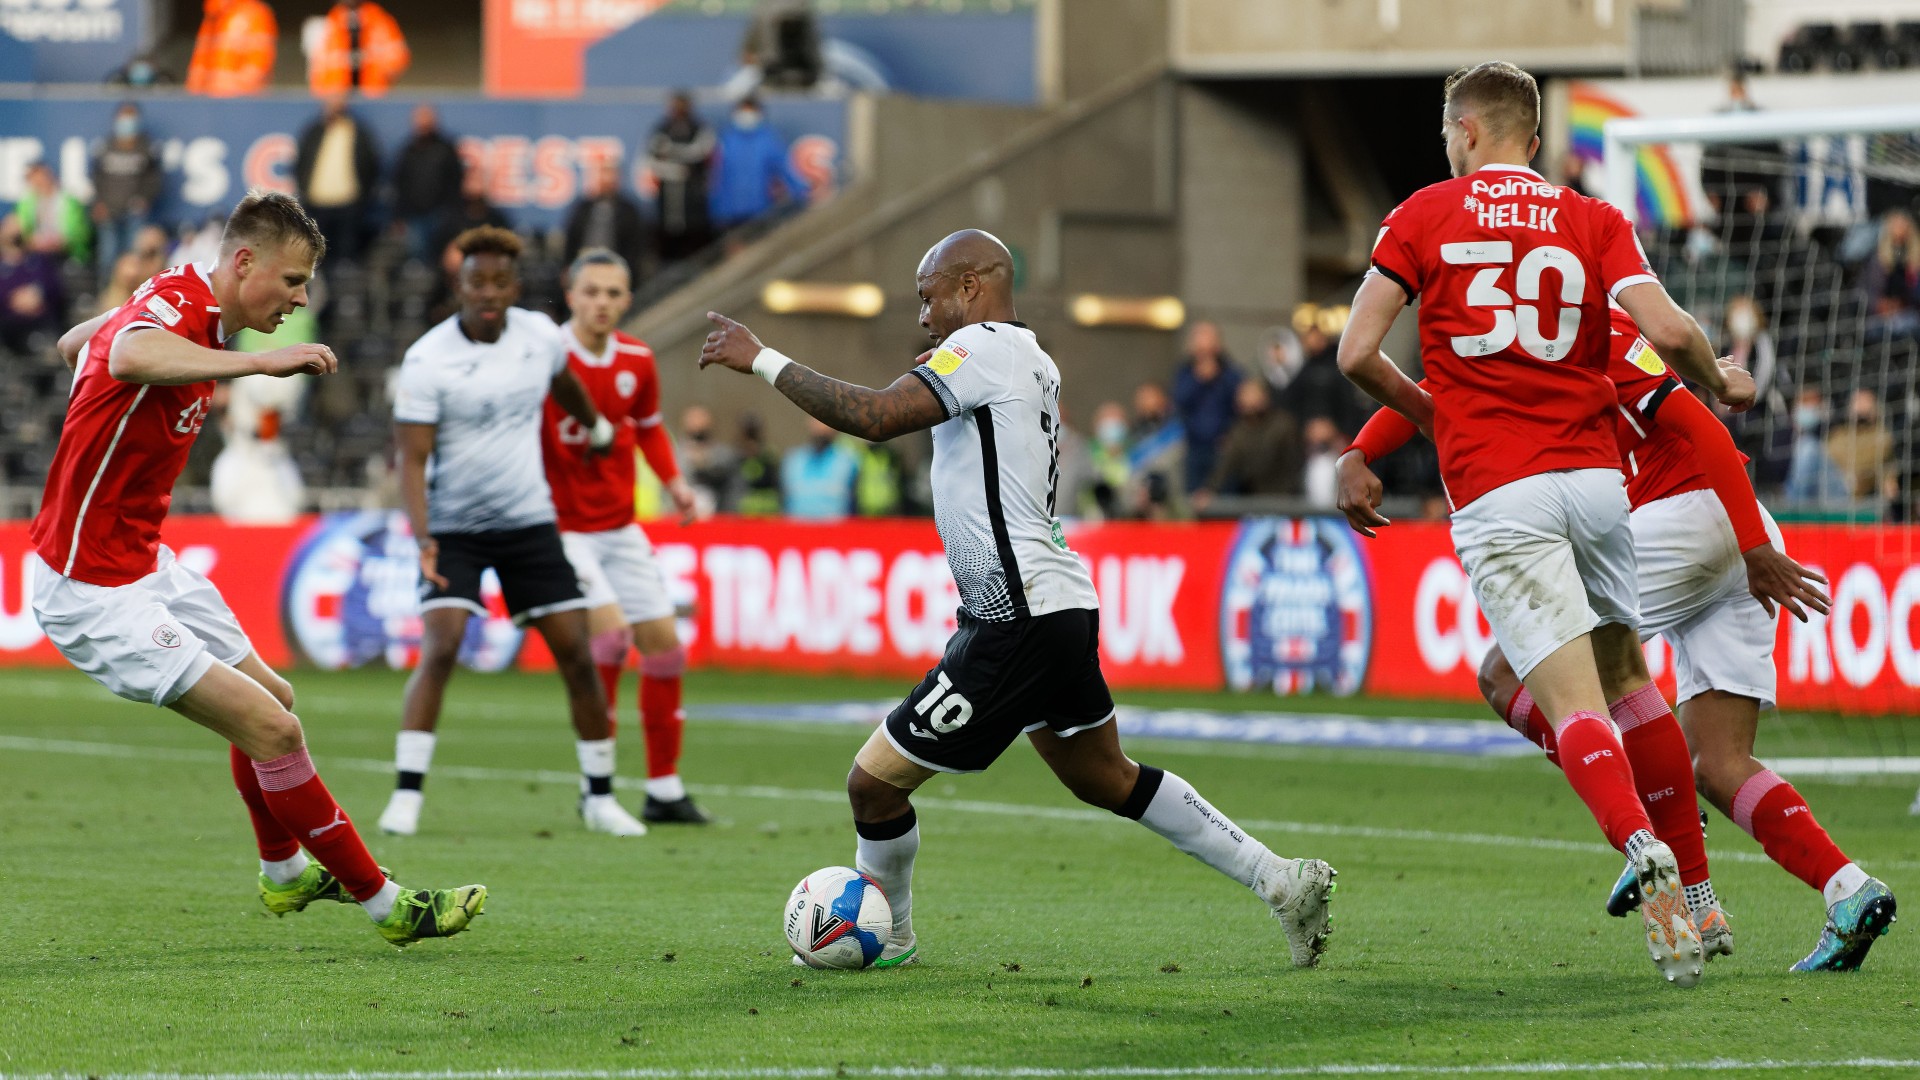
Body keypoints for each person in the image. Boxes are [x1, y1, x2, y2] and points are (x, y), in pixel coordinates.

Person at [698, 229, 1338, 970]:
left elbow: (872, 417)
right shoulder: (1030, 357)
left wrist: (762, 358)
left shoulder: (984, 350)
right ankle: (1281, 880)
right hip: (1056, 604)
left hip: (1016, 616)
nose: (924, 317)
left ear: (972, 285)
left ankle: (892, 936)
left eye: (929, 297)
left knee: (872, 785)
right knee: (1105, 774)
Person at [1336, 61, 1755, 986]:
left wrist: (1430, 411)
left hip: (1501, 485)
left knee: (1571, 703)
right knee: (1629, 680)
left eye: (1450, 134)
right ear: (1534, 138)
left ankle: (1637, 845)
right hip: (1601, 484)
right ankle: (1698, 892)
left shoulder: (1423, 215)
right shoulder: (1595, 220)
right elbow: (1672, 332)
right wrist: (1719, 379)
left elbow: (1357, 351)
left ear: (1469, 132)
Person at [1342, 303, 1893, 973]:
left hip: (1682, 523)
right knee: (1719, 765)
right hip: (1730, 525)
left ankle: (1641, 828)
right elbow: (1437, 395)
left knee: (1508, 672)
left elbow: (1701, 426)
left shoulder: (1556, 330)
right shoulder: (1595, 323)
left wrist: (1752, 546)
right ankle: (1848, 889)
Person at [27, 190, 484, 947]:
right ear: (244, 263)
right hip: (91, 588)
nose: (301, 300)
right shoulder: (178, 307)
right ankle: (390, 906)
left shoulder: (182, 305)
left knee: (275, 697)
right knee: (274, 729)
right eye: (294, 282)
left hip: (145, 564)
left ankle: (282, 873)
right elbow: (125, 350)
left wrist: (110, 352)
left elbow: (78, 343)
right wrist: (259, 362)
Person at [378, 226, 639, 838]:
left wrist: (596, 429)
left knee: (577, 651)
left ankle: (599, 798)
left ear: (515, 287)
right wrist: (423, 537)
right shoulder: (427, 360)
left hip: (529, 522)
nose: (489, 292)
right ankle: (406, 796)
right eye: (477, 282)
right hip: (455, 529)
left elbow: (565, 384)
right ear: (458, 286)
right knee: (441, 647)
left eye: (500, 282)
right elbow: (412, 459)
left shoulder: (539, 336)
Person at [541, 249, 709, 825]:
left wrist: (676, 485)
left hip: (619, 526)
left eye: (613, 293)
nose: (602, 303)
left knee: (665, 648)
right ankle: (599, 791)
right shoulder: (546, 357)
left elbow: (649, 430)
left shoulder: (637, 358)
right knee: (610, 641)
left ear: (627, 300)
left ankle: (664, 789)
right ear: (571, 294)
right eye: (592, 292)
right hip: (562, 529)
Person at [1190, 378, 1300, 511]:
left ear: (1265, 397)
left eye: (1253, 394)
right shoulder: (1238, 431)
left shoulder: (1284, 425)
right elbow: (1225, 465)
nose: (1249, 401)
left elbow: (1293, 466)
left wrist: (1288, 497)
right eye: (1244, 395)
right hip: (1253, 499)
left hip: (1284, 498)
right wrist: (1209, 490)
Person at [295, 97, 381, 264]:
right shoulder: (314, 132)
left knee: (345, 254)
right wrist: (305, 190)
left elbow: (370, 164)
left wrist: (363, 194)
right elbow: (302, 162)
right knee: (317, 256)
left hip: (348, 202)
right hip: (317, 202)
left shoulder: (356, 132)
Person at [709, 97, 809, 236]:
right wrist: (715, 206)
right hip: (728, 210)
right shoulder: (724, 139)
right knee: (733, 249)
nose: (747, 116)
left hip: (760, 209)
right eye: (743, 111)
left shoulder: (768, 140)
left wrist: (801, 190)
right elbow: (714, 175)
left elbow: (785, 168)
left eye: (751, 111)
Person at [89, 103, 164, 288]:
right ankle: (107, 296)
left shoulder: (147, 147)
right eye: (124, 117)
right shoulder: (105, 146)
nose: (127, 123)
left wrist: (145, 198)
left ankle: (135, 298)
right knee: (108, 256)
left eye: (131, 118)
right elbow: (96, 176)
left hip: (134, 210)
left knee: (135, 256)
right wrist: (99, 202)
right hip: (109, 208)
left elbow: (154, 179)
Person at [1171, 321, 1242, 492]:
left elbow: (1241, 404)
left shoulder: (1231, 373)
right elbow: (1179, 401)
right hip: (1194, 449)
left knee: (1226, 500)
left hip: (1224, 449)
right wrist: (1198, 380)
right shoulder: (1185, 373)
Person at [647, 92, 717, 264]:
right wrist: (673, 170)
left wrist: (672, 151)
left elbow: (702, 151)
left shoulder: (699, 128)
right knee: (668, 250)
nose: (678, 111)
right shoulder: (662, 129)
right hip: (668, 204)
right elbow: (651, 158)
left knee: (696, 250)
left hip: (693, 203)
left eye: (681, 106)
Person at [392, 105, 465, 265]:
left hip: (440, 214)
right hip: (414, 215)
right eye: (420, 119)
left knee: (439, 256)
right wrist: (398, 215)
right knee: (418, 257)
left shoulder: (445, 149)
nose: (423, 124)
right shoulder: (408, 150)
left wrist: (450, 212)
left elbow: (455, 182)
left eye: (427, 119)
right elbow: (399, 185)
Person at [307, 0, 411, 97]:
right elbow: (317, 69)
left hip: (373, 96)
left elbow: (397, 58)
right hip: (337, 98)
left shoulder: (379, 20)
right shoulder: (328, 23)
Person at [562, 162, 647, 277]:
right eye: (604, 176)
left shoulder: (628, 210)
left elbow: (635, 246)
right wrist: (567, 266)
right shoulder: (584, 207)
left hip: (616, 267)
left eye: (611, 177)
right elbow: (572, 238)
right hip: (583, 266)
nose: (607, 182)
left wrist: (628, 270)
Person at [185, 0, 276, 97]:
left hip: (243, 102)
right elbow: (197, 70)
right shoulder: (212, 17)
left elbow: (257, 70)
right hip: (210, 102)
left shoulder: (256, 14)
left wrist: (226, 89)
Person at [0, 217, 63, 354]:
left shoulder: (39, 260)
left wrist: (38, 294)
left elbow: (54, 286)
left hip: (41, 318)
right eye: (9, 228)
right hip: (7, 322)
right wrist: (12, 298)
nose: (14, 234)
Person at [1824, 388, 1895, 505]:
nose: (1860, 405)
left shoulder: (1881, 435)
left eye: (1865, 401)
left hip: (1853, 490)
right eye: (1856, 401)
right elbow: (1827, 458)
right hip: (1830, 483)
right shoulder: (1838, 433)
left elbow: (1875, 464)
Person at [781, 417, 860, 520]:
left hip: (836, 531)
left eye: (826, 421)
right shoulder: (793, 460)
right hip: (798, 530)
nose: (821, 427)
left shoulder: (848, 460)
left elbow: (855, 503)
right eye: (817, 420)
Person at [16, 162, 91, 268]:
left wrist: (62, 242)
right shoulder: (26, 204)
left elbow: (80, 233)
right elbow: (22, 231)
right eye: (33, 179)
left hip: (66, 254)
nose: (38, 182)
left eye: (41, 177)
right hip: (35, 254)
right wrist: (31, 241)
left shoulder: (69, 201)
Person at [679, 405, 742, 514]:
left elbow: (728, 472)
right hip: (683, 515)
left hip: (719, 514)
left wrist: (706, 459)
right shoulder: (678, 454)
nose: (697, 426)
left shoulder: (722, 454)